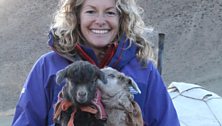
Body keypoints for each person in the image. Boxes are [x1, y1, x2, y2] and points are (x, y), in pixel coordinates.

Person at [12, 0, 180, 125]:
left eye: (110, 12)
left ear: (122, 18)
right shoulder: (47, 67)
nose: (100, 20)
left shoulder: (144, 70)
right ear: (77, 16)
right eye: (91, 12)